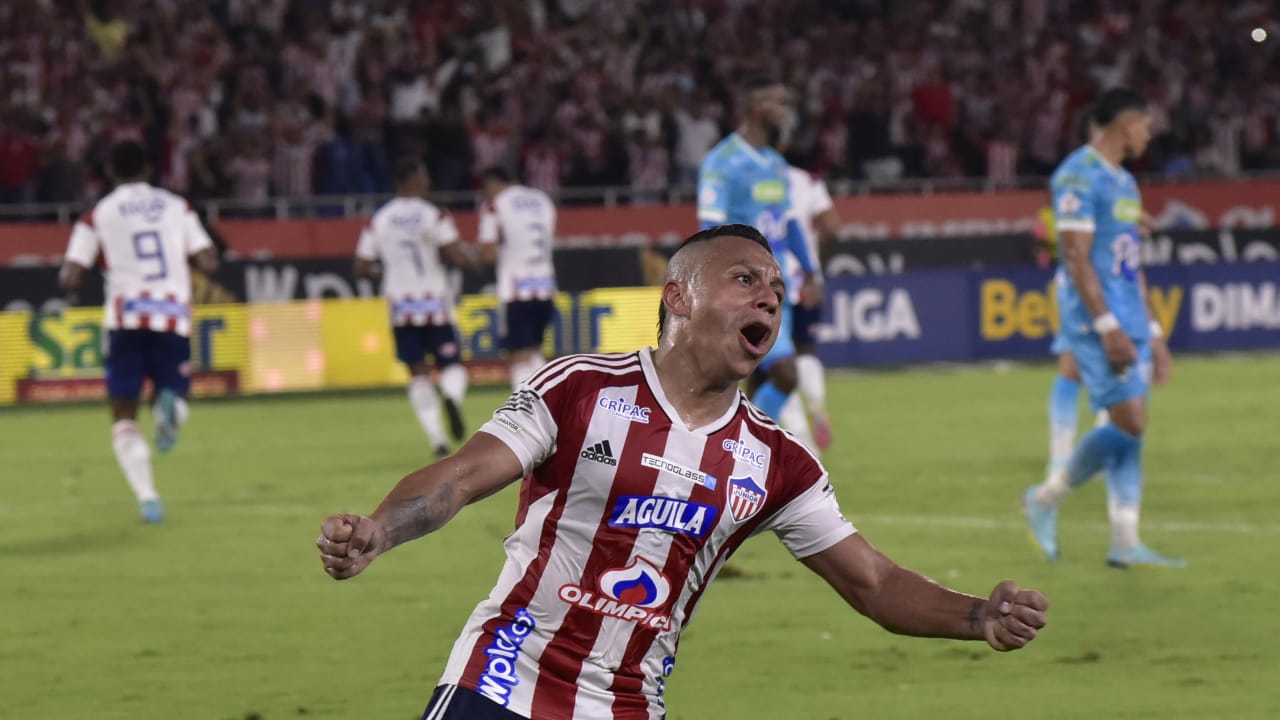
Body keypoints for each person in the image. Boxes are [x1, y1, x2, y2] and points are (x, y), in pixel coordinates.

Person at [317, 224, 1049, 720]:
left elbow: (875, 583)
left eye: (776, 289)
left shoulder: (778, 460)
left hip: (629, 705)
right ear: (678, 297)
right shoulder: (579, 388)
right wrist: (381, 529)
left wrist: (977, 614)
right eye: (745, 279)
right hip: (502, 683)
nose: (769, 296)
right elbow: (463, 477)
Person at [1023, 88, 1181, 568]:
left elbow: (1130, 264)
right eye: (1146, 123)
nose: (1149, 133)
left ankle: (1124, 540)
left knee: (1132, 431)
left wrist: (1152, 331)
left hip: (1130, 315)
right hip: (1096, 319)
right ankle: (1045, 499)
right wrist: (1107, 324)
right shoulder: (1077, 174)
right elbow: (1075, 257)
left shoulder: (1125, 182)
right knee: (1129, 420)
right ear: (1126, 123)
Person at [58, 140, 219, 523]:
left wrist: (76, 277)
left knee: (123, 413)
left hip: (126, 317)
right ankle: (170, 408)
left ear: (110, 174)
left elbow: (70, 276)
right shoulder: (176, 206)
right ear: (148, 170)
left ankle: (148, 497)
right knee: (176, 393)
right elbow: (208, 259)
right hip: (172, 316)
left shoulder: (97, 215)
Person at [697, 75, 821, 422]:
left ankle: (743, 453)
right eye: (778, 103)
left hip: (777, 284)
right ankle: (741, 438)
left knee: (760, 379)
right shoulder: (722, 162)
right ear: (755, 107)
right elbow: (709, 228)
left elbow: (790, 223)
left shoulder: (775, 164)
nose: (785, 112)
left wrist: (811, 271)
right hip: (744, 284)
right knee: (785, 372)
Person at [356, 157, 474, 459]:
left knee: (418, 372)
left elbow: (361, 266)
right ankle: (451, 395)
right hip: (434, 301)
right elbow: (452, 253)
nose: (428, 182)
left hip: (401, 305)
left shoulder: (379, 218)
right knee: (451, 365)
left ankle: (437, 439)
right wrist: (469, 259)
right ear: (412, 180)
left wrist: (386, 274)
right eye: (424, 176)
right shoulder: (434, 214)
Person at [476, 166, 559, 389]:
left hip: (515, 288)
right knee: (533, 350)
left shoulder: (495, 205)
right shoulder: (543, 200)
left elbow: (488, 253)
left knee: (518, 354)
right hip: (545, 285)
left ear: (493, 183)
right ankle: (552, 402)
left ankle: (520, 413)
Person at [777, 163, 840, 450]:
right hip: (805, 278)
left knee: (776, 362)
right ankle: (816, 403)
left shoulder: (750, 176)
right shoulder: (806, 180)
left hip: (769, 280)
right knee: (806, 350)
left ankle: (802, 438)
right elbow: (831, 226)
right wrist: (815, 263)